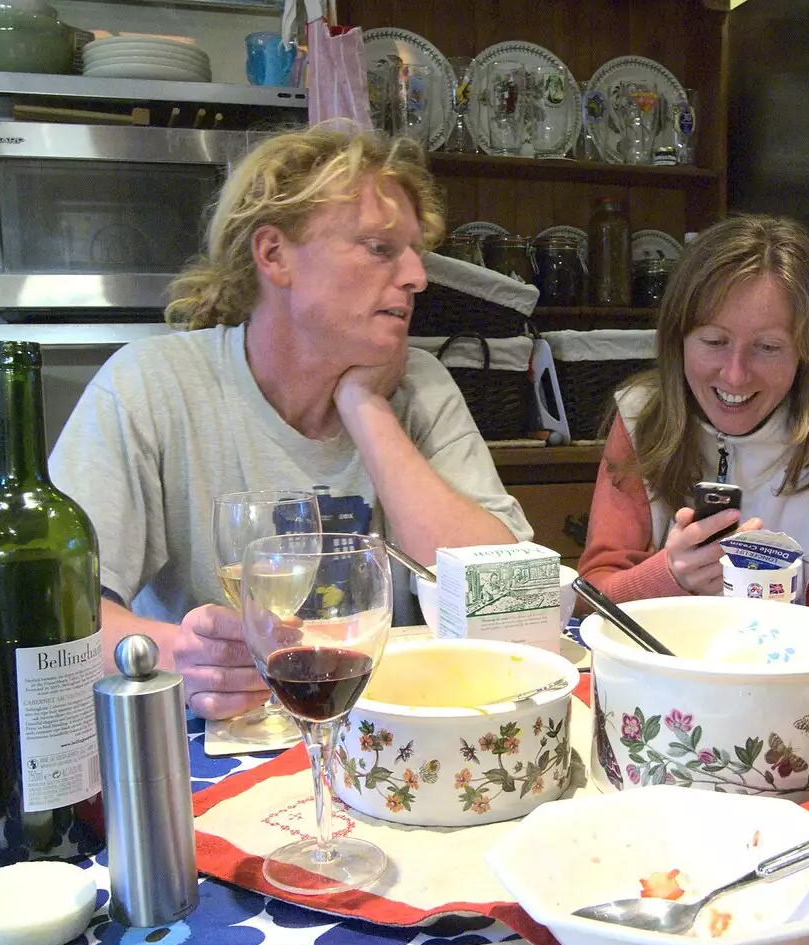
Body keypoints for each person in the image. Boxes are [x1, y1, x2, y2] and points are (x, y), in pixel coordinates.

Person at [50, 124, 531, 719]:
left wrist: (366, 408)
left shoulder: (419, 386)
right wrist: (180, 655)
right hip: (219, 740)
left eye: (414, 252)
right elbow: (53, 615)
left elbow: (506, 598)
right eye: (380, 248)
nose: (418, 277)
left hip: (383, 732)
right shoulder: (151, 385)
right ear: (274, 255)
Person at [578, 214, 809, 602]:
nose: (734, 376)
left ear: (807, 351)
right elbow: (592, 595)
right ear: (677, 340)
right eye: (714, 341)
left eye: (767, 348)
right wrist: (669, 575)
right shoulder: (640, 417)